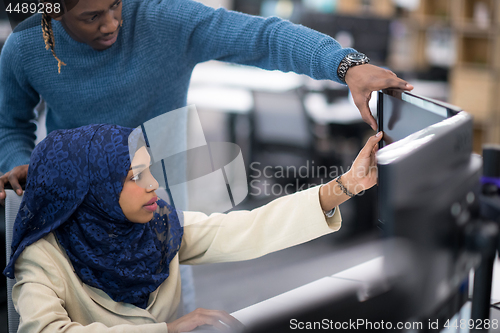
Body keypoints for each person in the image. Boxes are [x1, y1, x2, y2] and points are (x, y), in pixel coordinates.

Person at [0, 0, 413, 198]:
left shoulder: (163, 19)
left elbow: (263, 37)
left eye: (115, 5)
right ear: (53, 13)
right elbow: (11, 123)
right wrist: (17, 160)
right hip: (74, 195)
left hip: (160, 196)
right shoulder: (23, 49)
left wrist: (345, 64)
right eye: (92, 16)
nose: (111, 24)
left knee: (168, 307)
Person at [3, 123, 381, 332]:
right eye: (136, 176)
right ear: (91, 193)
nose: (153, 185)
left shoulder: (159, 226)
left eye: (149, 169)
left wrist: (344, 187)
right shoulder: (42, 257)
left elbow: (248, 229)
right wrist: (166, 331)